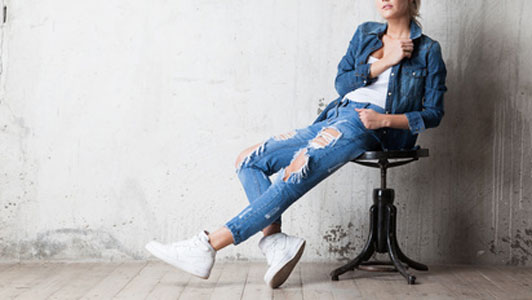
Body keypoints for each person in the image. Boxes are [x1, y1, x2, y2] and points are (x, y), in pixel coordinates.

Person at [145, 0, 447, 289]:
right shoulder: (365, 33)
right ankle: (276, 243)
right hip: (337, 117)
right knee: (250, 159)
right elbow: (342, 84)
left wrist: (384, 121)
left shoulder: (428, 50)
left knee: (300, 166)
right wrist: (384, 62)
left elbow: (433, 113)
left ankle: (209, 245)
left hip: (374, 127)